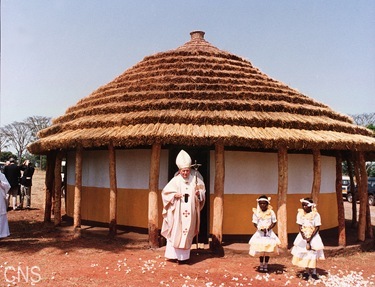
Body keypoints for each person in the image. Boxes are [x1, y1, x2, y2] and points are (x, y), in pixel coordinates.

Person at [161, 150, 206, 263]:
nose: (185, 173)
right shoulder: (175, 180)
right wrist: (174, 195)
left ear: (190, 170)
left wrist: (199, 194)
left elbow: (202, 193)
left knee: (187, 232)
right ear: (179, 170)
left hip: (190, 212)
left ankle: (183, 257)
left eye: (187, 171)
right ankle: (173, 256)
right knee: (176, 231)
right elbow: (165, 193)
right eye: (183, 171)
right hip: (177, 212)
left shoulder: (195, 180)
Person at [291, 198, 325, 280]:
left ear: (310, 206)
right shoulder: (300, 214)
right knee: (305, 253)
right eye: (303, 205)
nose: (304, 207)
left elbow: (317, 227)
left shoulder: (316, 215)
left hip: (313, 236)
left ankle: (313, 271)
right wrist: (304, 236)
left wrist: (310, 237)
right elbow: (299, 226)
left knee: (313, 253)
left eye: (306, 205)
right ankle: (306, 271)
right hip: (303, 236)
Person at [248, 195, 281, 272]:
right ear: (258, 204)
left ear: (267, 204)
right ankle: (261, 264)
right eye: (261, 204)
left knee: (267, 250)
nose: (262, 205)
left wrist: (269, 228)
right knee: (261, 250)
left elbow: (274, 222)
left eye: (264, 203)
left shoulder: (271, 212)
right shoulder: (256, 212)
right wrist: (260, 228)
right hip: (260, 233)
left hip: (269, 233)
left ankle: (266, 264)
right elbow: (255, 223)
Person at [0, 172, 11, 238]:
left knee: (1, 216)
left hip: (0, 198)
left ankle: (1, 234)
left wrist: (0, 183)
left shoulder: (1, 175)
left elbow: (7, 186)